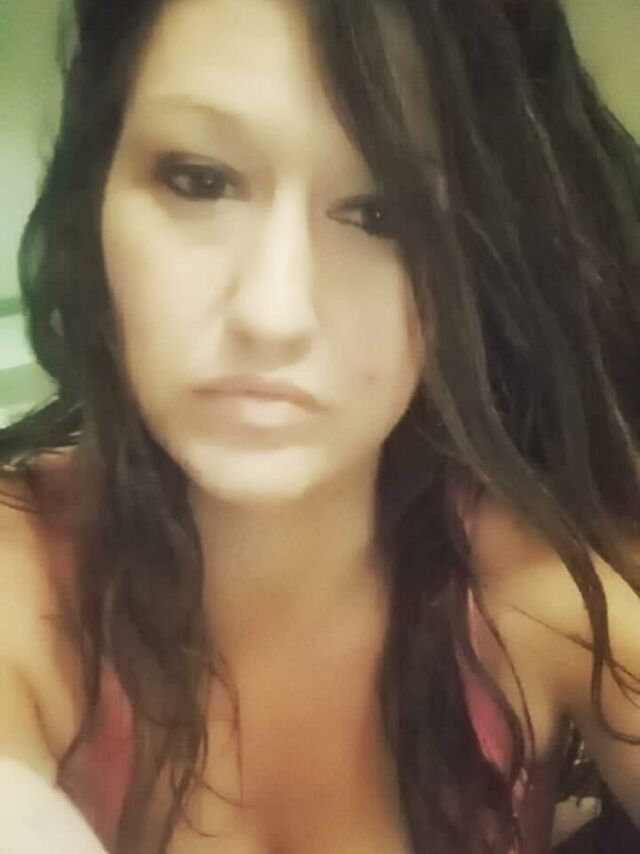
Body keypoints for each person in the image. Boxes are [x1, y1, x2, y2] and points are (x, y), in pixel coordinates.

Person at [0, 0, 638, 851]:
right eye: (200, 179)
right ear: (97, 192)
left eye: (384, 215)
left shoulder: (536, 592)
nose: (274, 313)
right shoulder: (21, 580)